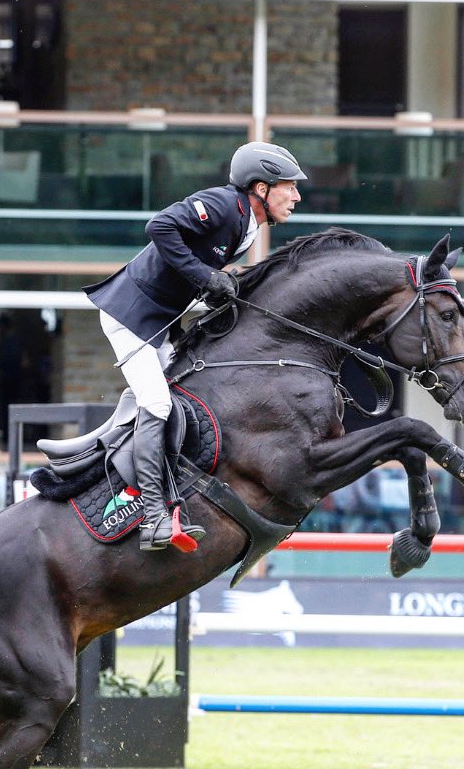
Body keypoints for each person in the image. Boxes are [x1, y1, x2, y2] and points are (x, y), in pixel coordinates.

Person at [82, 141, 304, 552]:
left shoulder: (248, 226)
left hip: (158, 323)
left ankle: (170, 492)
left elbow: (195, 265)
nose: (296, 196)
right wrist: (205, 276)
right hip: (130, 316)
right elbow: (160, 227)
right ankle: (152, 516)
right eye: (288, 187)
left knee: (188, 396)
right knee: (158, 404)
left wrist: (219, 283)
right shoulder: (223, 205)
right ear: (260, 188)